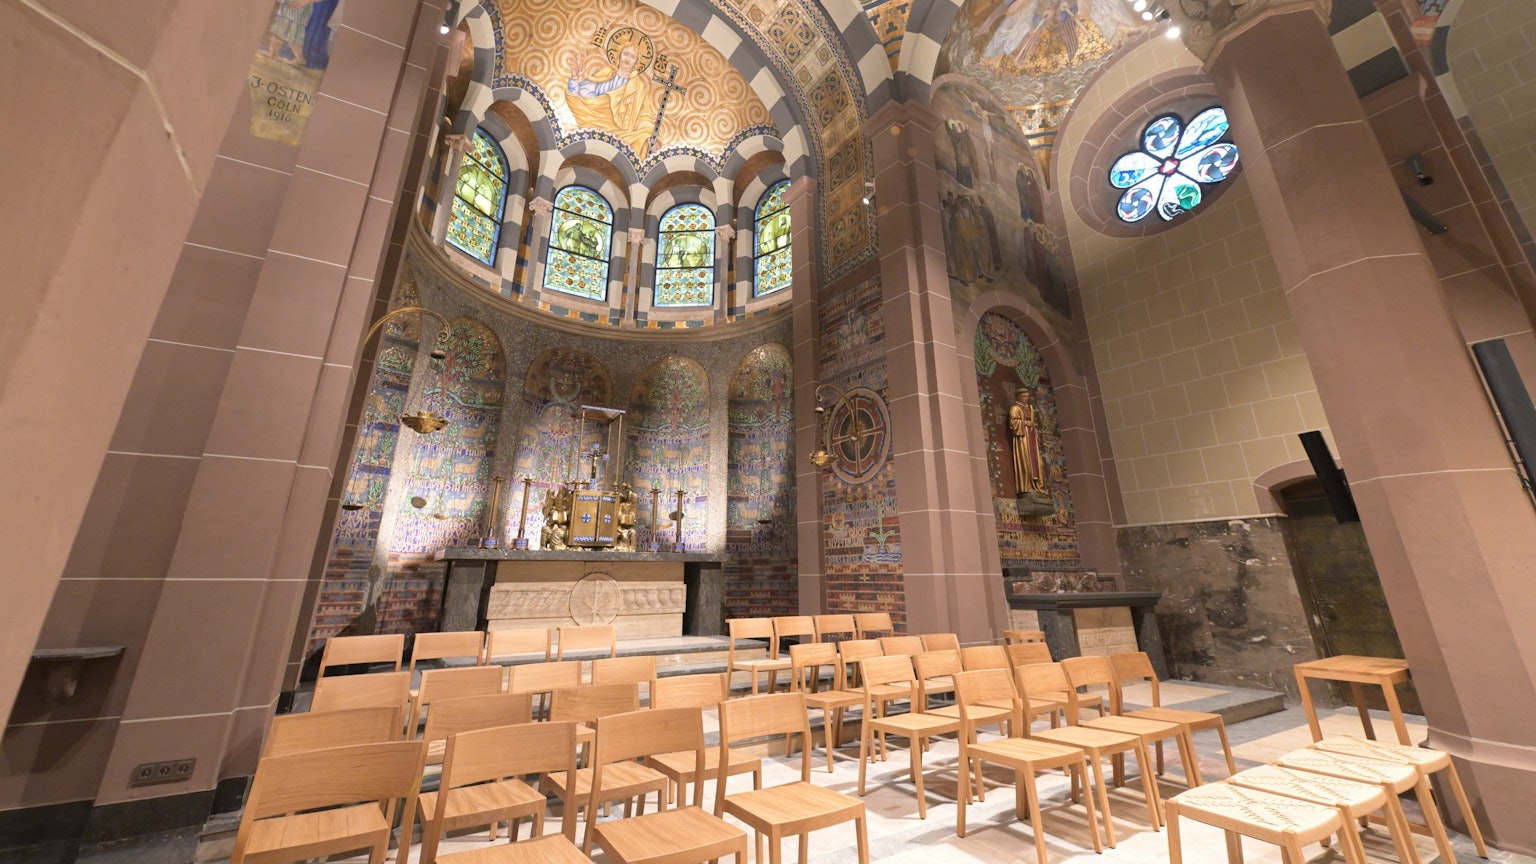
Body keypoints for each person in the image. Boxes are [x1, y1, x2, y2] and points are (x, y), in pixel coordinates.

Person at [566, 41, 653, 153]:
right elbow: (580, 99)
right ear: (619, 55)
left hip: (621, 134)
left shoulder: (638, 86)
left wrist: (650, 136)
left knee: (643, 137)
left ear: (636, 62)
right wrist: (574, 79)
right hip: (593, 122)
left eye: (632, 57)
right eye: (626, 54)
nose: (628, 58)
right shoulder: (605, 73)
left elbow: (644, 115)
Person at [1009, 386, 1045, 495]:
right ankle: (1027, 485)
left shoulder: (1030, 408)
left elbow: (1033, 422)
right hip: (1023, 439)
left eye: (1027, 396)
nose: (1026, 399)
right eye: (1023, 396)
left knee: (1037, 463)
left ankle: (1036, 485)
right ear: (1018, 397)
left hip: (1032, 438)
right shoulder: (1015, 408)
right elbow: (1013, 423)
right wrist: (1024, 423)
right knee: (1026, 461)